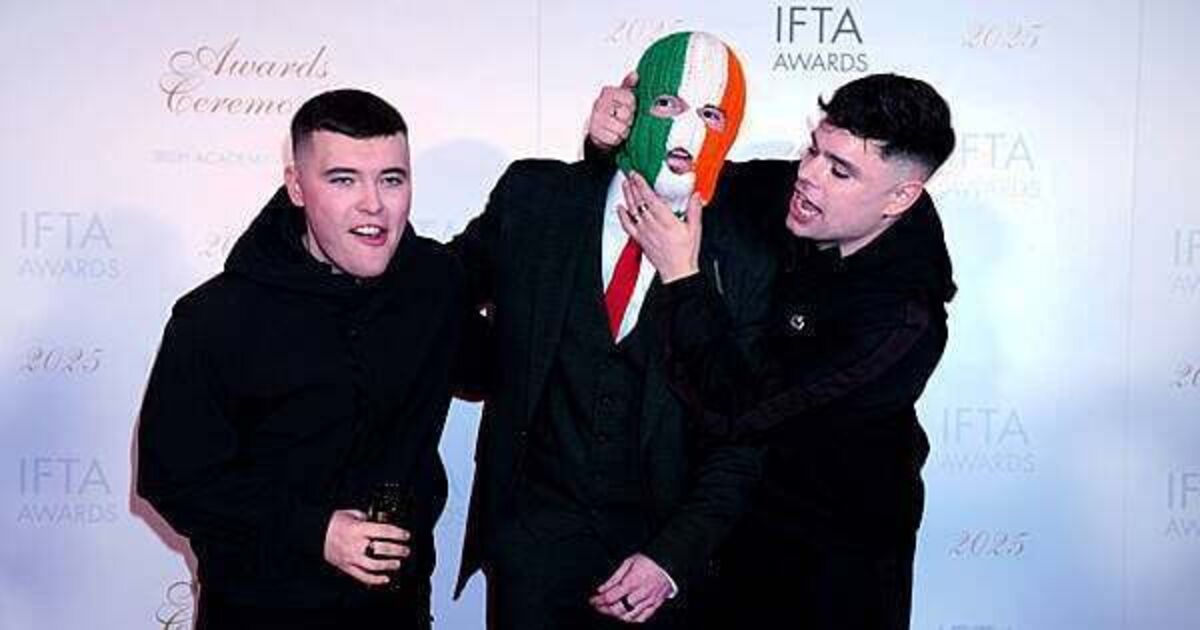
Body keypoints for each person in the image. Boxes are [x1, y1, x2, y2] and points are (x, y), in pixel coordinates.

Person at [590, 72, 957, 628]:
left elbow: (734, 410)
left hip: (833, 563)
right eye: (814, 150)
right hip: (728, 530)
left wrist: (682, 276)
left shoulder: (898, 321)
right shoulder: (796, 190)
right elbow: (677, 176)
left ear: (901, 197)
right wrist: (616, 137)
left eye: (840, 171)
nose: (807, 175)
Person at [450, 31, 782, 628]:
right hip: (531, 555)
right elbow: (435, 296)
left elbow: (744, 433)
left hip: (656, 570)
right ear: (632, 104)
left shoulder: (747, 256)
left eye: (710, 114)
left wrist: (672, 558)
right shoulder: (537, 198)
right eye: (668, 104)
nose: (686, 132)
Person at [137, 89, 471, 629]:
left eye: (391, 179)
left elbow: (521, 363)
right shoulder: (216, 316)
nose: (373, 204)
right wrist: (316, 532)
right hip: (257, 611)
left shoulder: (436, 285)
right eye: (343, 180)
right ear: (296, 186)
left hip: (395, 612)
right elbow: (173, 478)